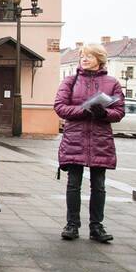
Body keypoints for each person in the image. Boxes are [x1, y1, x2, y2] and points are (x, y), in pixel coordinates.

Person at [53, 44, 125, 243]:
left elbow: (119, 112)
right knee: (73, 183)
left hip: (100, 140)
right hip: (74, 138)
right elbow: (59, 107)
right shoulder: (70, 80)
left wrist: (104, 113)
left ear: (99, 59)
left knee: (99, 185)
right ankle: (72, 225)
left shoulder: (112, 83)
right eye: (83, 56)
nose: (84, 59)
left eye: (89, 56)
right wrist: (83, 111)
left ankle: (96, 226)